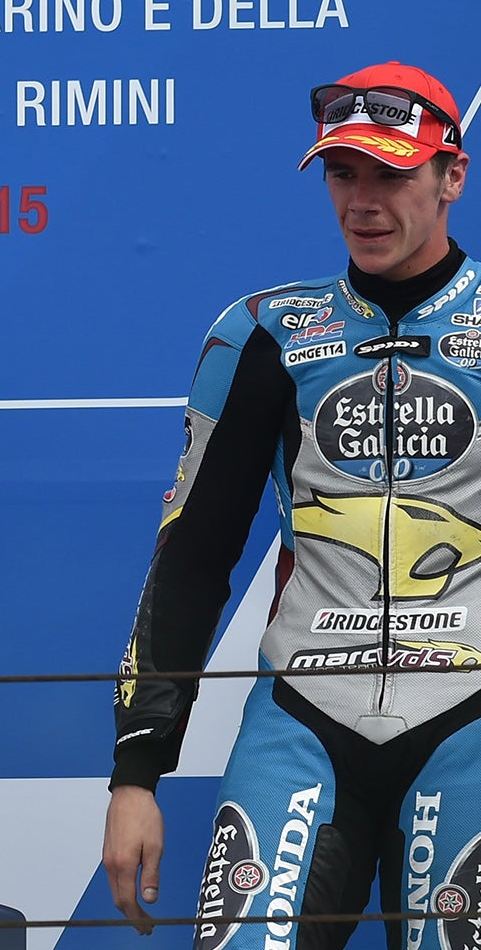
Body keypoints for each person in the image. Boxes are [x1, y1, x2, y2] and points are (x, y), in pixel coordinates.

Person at [104, 62, 481, 947]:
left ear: (451, 176)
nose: (364, 201)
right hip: (305, 713)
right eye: (344, 173)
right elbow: (194, 556)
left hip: (471, 718)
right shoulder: (268, 333)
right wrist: (136, 774)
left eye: (392, 173)